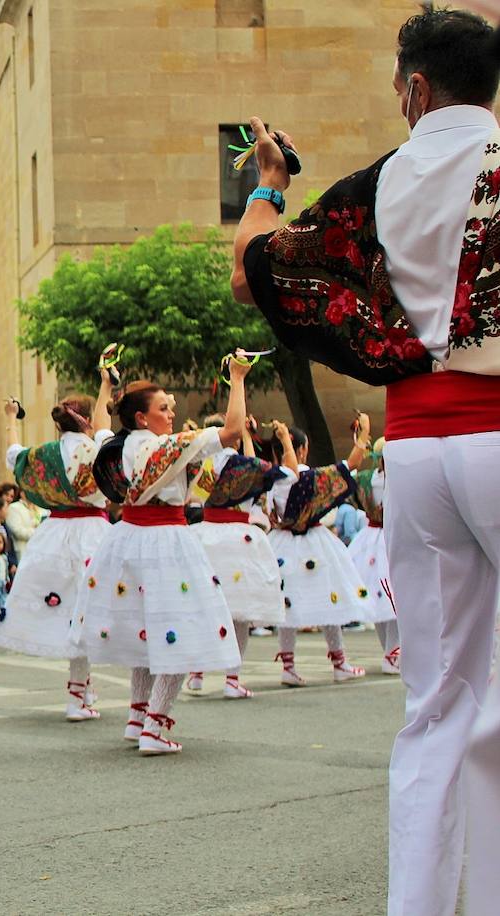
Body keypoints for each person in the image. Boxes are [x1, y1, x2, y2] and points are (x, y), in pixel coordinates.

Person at [230, 12, 500, 908]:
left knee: (437, 705)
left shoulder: (379, 186)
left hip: (418, 451)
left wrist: (270, 184)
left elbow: (255, 268)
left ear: (416, 88)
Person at [74, 357, 251, 755]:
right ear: (141, 417)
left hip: (127, 538)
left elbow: (102, 423)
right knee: (183, 631)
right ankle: (155, 725)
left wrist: (105, 385)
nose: (171, 414)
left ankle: (138, 718)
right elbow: (233, 430)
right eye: (163, 408)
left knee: (145, 630)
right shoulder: (168, 447)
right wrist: (237, 379)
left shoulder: (113, 446)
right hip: (166, 540)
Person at [0, 369, 113, 722]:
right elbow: (105, 428)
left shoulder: (44, 454)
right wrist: (106, 384)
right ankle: (80, 692)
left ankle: (80, 690)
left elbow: (13, 455)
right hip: (93, 533)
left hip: (55, 532)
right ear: (87, 422)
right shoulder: (99, 449)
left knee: (67, 608)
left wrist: (11, 419)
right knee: (90, 610)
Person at [265, 420, 373, 686]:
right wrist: (364, 434)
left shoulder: (273, 479)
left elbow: (270, 513)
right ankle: (340, 662)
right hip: (314, 541)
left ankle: (288, 666)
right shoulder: (311, 477)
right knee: (330, 599)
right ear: (302, 450)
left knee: (286, 603)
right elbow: (351, 465)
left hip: (281, 542)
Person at [186, 415, 286, 700]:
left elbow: (192, 499)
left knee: (205, 607)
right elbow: (279, 474)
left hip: (206, 535)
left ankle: (196, 673)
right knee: (240, 614)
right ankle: (232, 678)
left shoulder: (204, 467)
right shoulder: (245, 465)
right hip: (238, 538)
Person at [346, 438, 401, 675]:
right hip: (388, 537)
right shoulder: (395, 480)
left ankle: (391, 651)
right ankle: (392, 653)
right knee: (395, 598)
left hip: (370, 538)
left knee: (385, 600)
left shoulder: (366, 478)